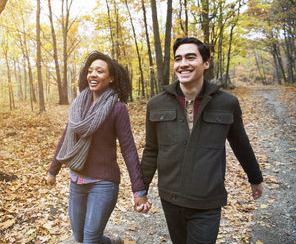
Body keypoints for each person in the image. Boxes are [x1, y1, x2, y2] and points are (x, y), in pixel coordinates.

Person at [141, 37, 264, 244]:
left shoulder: (227, 103)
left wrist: (255, 177)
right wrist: (141, 190)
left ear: (206, 63)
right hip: (170, 197)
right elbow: (151, 150)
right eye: (178, 59)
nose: (183, 64)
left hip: (207, 199)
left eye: (191, 57)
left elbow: (241, 145)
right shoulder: (156, 104)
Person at [47, 51, 150, 244]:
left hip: (103, 182)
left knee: (91, 239)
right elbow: (65, 138)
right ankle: (113, 242)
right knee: (80, 237)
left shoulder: (117, 109)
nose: (93, 74)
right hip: (77, 180)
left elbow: (128, 149)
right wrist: (53, 171)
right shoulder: (78, 105)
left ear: (111, 78)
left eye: (100, 71)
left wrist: (139, 190)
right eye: (90, 70)